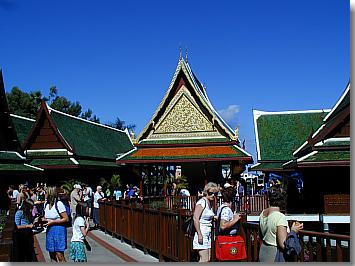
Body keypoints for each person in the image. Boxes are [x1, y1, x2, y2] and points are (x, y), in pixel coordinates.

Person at [258, 187, 304, 262]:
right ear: (283, 201)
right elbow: (282, 244)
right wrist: (293, 231)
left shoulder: (262, 213)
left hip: (264, 251)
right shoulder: (279, 217)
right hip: (275, 255)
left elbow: (261, 235)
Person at [192, 182, 219, 262]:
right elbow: (195, 218)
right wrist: (199, 234)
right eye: (210, 193)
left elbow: (206, 215)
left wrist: (214, 217)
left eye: (215, 193)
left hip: (208, 233)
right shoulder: (201, 202)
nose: (213, 195)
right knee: (204, 259)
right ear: (206, 192)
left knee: (207, 259)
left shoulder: (209, 203)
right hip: (202, 233)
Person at [43, 186, 69, 262]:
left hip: (58, 229)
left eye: (46, 193)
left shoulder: (59, 204)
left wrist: (53, 222)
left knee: (59, 254)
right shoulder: (46, 205)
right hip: (49, 230)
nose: (45, 194)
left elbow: (66, 218)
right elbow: (46, 217)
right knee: (51, 253)